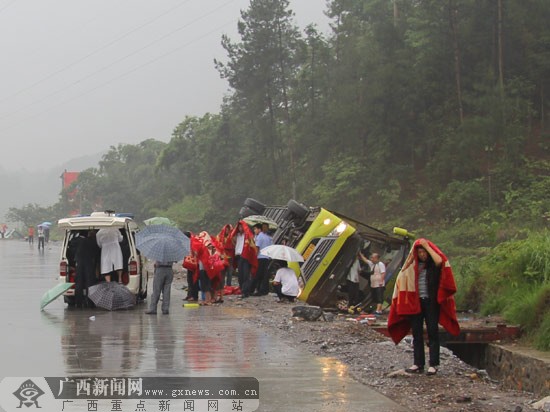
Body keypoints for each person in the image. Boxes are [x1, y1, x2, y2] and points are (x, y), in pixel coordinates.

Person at [388, 238, 460, 376]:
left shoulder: (433, 265)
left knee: (432, 332)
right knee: (417, 334)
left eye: (424, 252)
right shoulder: (412, 266)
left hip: (431, 302)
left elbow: (439, 261)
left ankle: (433, 364)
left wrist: (427, 245)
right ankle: (418, 364)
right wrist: (411, 258)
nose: (422, 255)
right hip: (416, 303)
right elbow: (402, 275)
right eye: (419, 252)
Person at [230, 221, 258, 298]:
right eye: (239, 227)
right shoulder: (237, 235)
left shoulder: (248, 236)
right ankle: (242, 289)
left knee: (246, 274)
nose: (240, 228)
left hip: (246, 256)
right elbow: (231, 238)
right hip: (238, 256)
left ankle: (245, 292)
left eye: (241, 227)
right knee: (240, 275)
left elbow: (252, 246)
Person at [74, 230, 100, 308]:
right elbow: (97, 253)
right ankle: (90, 302)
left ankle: (78, 303)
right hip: (89, 263)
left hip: (79, 264)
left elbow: (73, 251)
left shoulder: (77, 241)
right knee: (90, 283)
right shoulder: (92, 242)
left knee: (79, 283)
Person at [252, 223, 272, 296]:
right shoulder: (269, 237)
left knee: (258, 274)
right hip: (266, 258)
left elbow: (257, 248)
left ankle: (257, 290)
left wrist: (254, 257)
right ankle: (264, 290)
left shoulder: (259, 236)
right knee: (264, 275)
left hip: (260, 257)